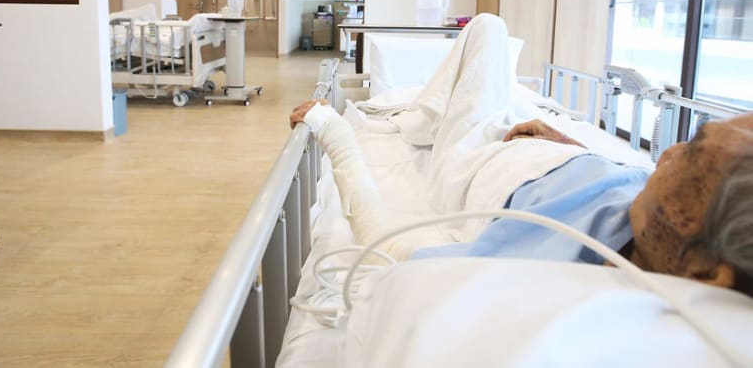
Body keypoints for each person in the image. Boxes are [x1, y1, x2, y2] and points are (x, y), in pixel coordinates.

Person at [290, 97, 753, 297]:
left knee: (488, 27)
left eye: (691, 151)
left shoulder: (552, 263)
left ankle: (411, 118)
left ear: (706, 272)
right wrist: (571, 145)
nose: (666, 153)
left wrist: (335, 131)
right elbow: (634, 175)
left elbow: (384, 252)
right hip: (542, 143)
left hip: (478, 160)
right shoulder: (652, 214)